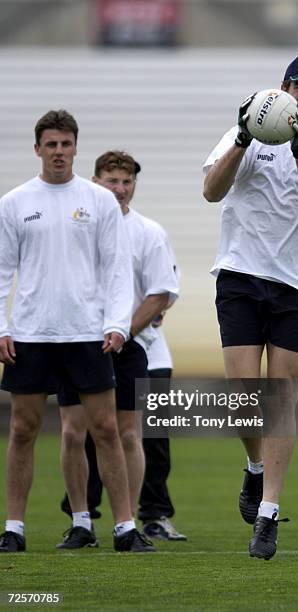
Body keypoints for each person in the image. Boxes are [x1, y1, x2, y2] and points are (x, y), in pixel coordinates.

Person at [203, 55, 298, 560]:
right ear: (284, 88)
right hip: (242, 274)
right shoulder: (245, 128)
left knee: (280, 398)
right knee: (244, 401)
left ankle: (268, 514)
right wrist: (246, 137)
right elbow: (211, 191)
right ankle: (254, 469)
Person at [0, 110, 150, 553]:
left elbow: (118, 268)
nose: (59, 152)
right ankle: (14, 529)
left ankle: (125, 528)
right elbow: (3, 270)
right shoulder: (15, 203)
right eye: (51, 145)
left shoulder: (99, 201)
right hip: (31, 334)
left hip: (86, 333)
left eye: (66, 144)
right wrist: (2, 327)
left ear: (76, 147)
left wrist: (117, 324)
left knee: (105, 428)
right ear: (37, 149)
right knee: (24, 430)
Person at [57, 150, 180, 548]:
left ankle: (141, 520)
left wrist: (121, 331)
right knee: (80, 433)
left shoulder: (148, 232)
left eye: (127, 182)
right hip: (79, 344)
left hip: (137, 348)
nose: (121, 189)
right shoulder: (75, 226)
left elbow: (161, 293)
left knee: (139, 436)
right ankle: (82, 520)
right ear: (96, 182)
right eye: (113, 181)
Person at [138, 311, 187, 541]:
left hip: (152, 353)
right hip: (100, 344)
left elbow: (162, 297)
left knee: (154, 437)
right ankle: (81, 518)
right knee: (94, 434)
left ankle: (154, 515)